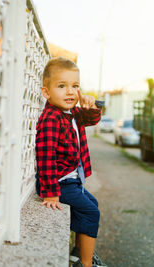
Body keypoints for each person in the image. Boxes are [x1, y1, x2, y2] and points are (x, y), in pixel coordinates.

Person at [35, 57, 107, 267]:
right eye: (62, 86)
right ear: (46, 93)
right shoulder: (51, 118)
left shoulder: (72, 113)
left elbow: (91, 119)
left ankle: (77, 253)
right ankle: (86, 264)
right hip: (59, 183)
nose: (70, 92)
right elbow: (45, 156)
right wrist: (50, 192)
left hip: (72, 180)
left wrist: (91, 106)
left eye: (75, 86)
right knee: (91, 211)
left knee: (92, 204)